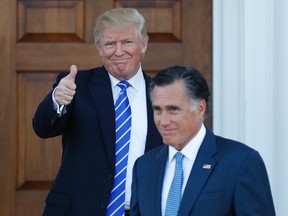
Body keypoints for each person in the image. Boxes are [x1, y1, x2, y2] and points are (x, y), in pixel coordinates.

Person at [32, 8, 162, 216]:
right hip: (77, 210)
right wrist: (57, 99)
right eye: (110, 44)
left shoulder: (161, 93)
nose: (118, 52)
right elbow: (42, 128)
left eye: (127, 42)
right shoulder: (77, 85)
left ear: (144, 45)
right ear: (100, 48)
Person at [130, 66, 276, 216]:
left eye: (173, 109)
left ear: (200, 108)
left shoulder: (241, 162)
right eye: (158, 110)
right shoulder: (144, 167)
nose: (163, 121)